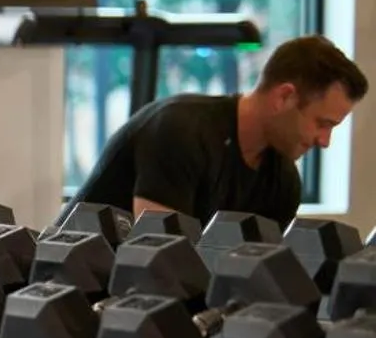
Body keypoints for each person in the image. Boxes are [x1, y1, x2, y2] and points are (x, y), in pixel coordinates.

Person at [70, 34, 366, 228]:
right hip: (62, 298)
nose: (324, 141)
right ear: (284, 97)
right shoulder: (180, 131)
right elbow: (158, 266)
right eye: (323, 123)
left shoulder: (283, 182)